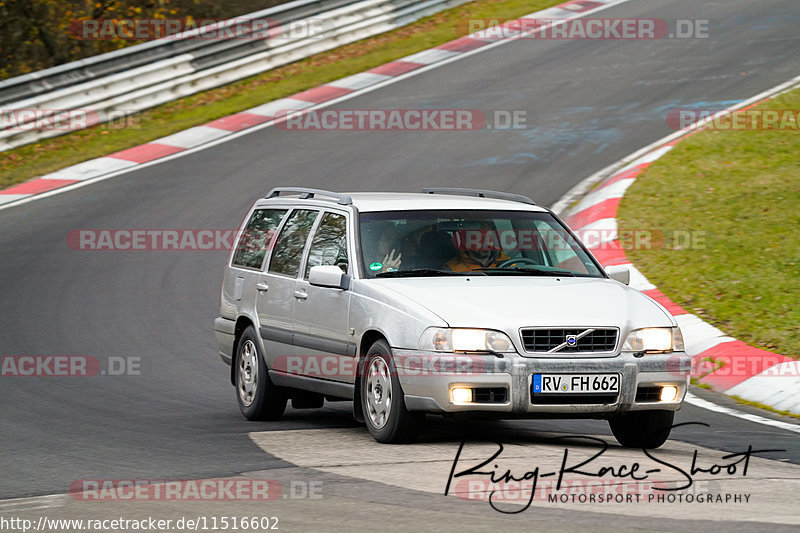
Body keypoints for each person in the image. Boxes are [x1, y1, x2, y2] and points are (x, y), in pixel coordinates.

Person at [444, 224, 509, 272]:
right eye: (479, 239)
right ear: (465, 242)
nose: (486, 244)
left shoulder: (508, 264)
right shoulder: (452, 270)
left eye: (489, 238)